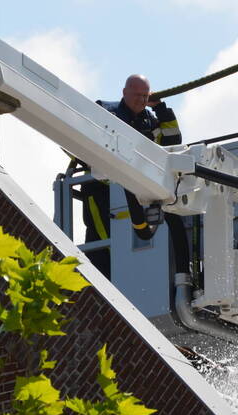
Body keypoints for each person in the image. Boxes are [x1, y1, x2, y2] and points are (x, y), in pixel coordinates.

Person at [78, 74, 182, 277]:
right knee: (102, 242)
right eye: (137, 95)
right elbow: (77, 141)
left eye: (145, 96)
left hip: (136, 193)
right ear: (124, 92)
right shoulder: (105, 111)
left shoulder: (150, 121)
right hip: (101, 190)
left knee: (125, 244)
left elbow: (173, 143)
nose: (141, 100)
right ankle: (99, 281)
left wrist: (161, 108)